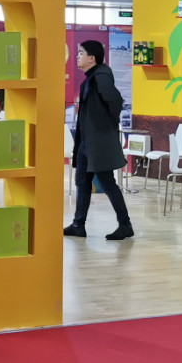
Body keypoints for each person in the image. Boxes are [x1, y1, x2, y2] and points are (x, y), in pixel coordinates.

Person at [64, 40, 133, 240]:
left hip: (98, 143)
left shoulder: (101, 76)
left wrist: (106, 126)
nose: (77, 56)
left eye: (81, 53)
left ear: (92, 58)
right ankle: (78, 225)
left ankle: (125, 225)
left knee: (107, 182)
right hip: (86, 143)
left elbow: (115, 100)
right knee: (82, 181)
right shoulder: (92, 78)